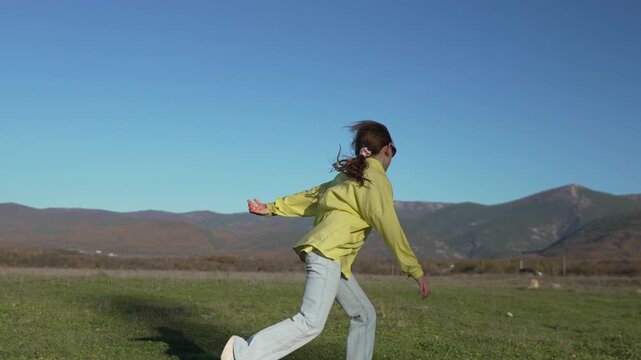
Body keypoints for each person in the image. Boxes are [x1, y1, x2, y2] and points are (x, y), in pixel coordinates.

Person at [221, 120, 431, 360]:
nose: (392, 157)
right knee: (310, 322)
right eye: (393, 152)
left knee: (364, 315)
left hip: (331, 256)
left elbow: (312, 197)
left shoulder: (349, 175)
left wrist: (271, 208)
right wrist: (415, 270)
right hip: (327, 253)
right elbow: (389, 225)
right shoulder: (376, 178)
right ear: (387, 148)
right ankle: (242, 354)